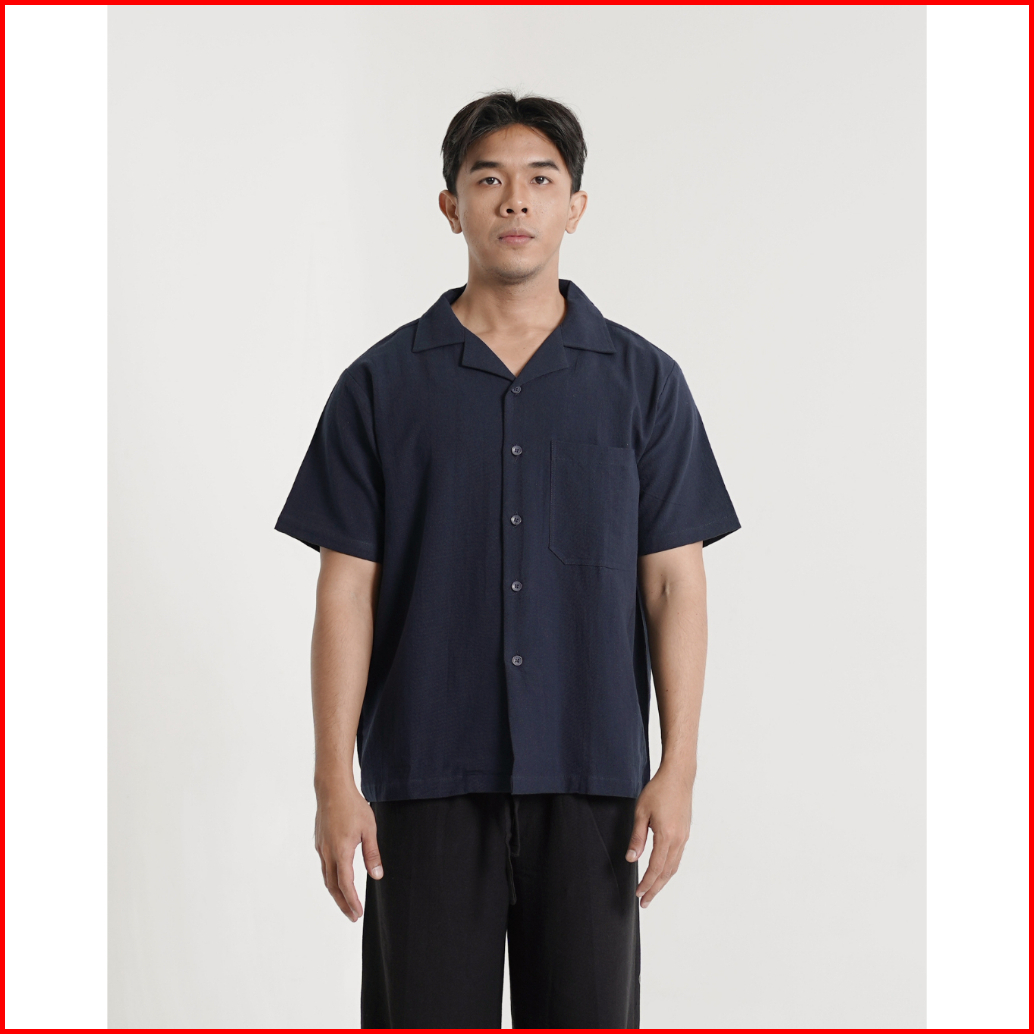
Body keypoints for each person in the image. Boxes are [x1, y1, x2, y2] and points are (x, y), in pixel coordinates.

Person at [275, 91, 740, 1029]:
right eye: (488, 180)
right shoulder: (379, 386)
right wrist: (333, 781)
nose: (515, 200)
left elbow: (673, 582)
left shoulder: (644, 384)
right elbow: (346, 593)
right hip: (425, 776)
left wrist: (679, 766)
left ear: (576, 206)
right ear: (452, 207)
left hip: (593, 778)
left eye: (540, 179)